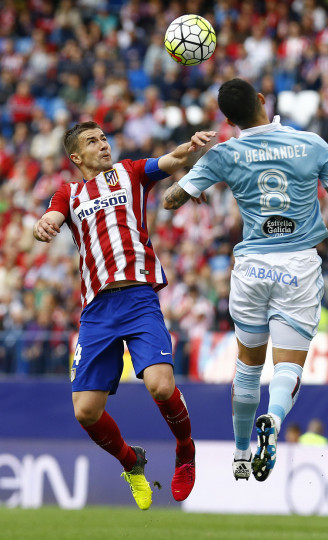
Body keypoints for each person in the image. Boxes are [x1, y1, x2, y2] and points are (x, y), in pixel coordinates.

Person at [163, 78, 328, 483]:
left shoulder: (223, 153)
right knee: (287, 367)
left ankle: (239, 453)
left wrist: (194, 168)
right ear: (261, 100)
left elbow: (171, 200)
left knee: (247, 367)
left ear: (226, 119)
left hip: (252, 267)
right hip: (299, 267)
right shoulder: (312, 144)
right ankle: (271, 419)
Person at [33, 121, 216, 509]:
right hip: (97, 309)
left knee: (161, 386)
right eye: (92, 141)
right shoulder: (71, 192)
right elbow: (52, 216)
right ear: (75, 157)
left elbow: (172, 159)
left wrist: (192, 146)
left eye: (103, 138)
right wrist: (45, 225)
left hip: (137, 297)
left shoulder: (130, 173)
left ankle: (185, 451)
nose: (103, 144)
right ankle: (132, 463)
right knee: (85, 412)